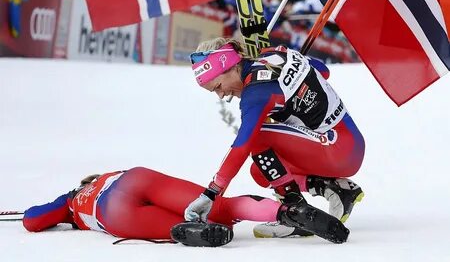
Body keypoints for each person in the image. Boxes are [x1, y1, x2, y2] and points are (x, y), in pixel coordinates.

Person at [185, 37, 365, 239]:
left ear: (230, 66)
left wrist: (211, 192)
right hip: (347, 144)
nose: (220, 95)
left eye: (218, 86)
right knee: (262, 170)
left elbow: (243, 145)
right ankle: (337, 190)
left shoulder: (255, 94)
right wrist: (296, 73)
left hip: (338, 149)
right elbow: (323, 70)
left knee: (258, 134)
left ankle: (295, 212)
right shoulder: (274, 54)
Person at [22, 166, 286, 244]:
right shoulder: (108, 175)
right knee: (220, 207)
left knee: (184, 225)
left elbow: (33, 220)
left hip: (113, 212)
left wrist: (65, 211)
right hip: (137, 178)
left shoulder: (71, 202)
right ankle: (286, 212)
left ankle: (195, 232)